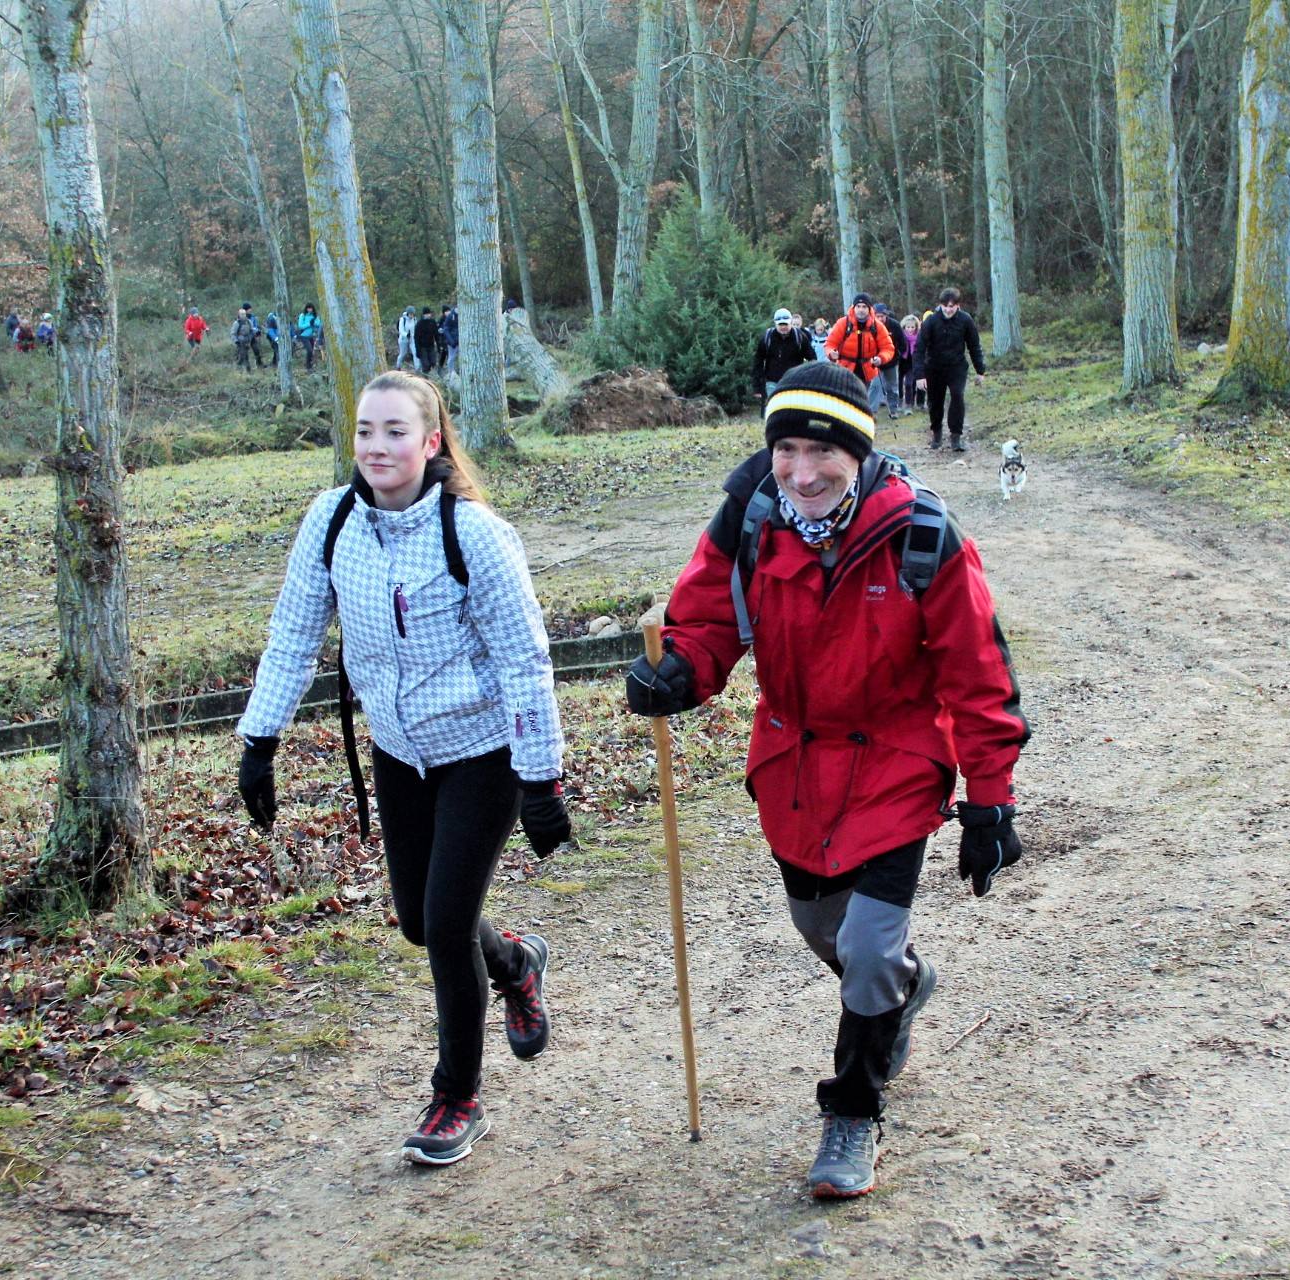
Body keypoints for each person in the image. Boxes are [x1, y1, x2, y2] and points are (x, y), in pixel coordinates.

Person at [624, 360, 1028, 1199]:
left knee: (868, 949)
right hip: (794, 765)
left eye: (823, 451)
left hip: (895, 762)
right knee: (825, 932)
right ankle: (904, 992)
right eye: (787, 450)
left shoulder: (925, 537)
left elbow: (978, 674)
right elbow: (705, 624)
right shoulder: (751, 522)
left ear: (859, 452)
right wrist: (680, 674)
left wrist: (991, 799)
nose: (803, 471)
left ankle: (853, 1111)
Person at [237, 369, 573, 1167]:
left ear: (431, 443)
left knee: (447, 925)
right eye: (364, 431)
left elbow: (526, 662)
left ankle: (457, 1096)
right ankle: (517, 964)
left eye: (395, 432)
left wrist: (541, 778)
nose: (376, 447)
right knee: (423, 922)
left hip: (482, 753)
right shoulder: (332, 523)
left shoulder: (475, 534)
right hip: (398, 751)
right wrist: (260, 739)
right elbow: (293, 634)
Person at [913, 288, 987, 451]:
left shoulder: (965, 320)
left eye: (951, 306)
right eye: (945, 306)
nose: (948, 309)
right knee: (935, 402)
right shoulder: (931, 322)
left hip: (957, 367)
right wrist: (919, 375)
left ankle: (956, 436)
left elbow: (974, 346)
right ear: (940, 306)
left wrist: (980, 370)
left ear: (958, 306)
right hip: (934, 367)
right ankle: (937, 433)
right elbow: (919, 349)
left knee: (957, 396)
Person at [823, 293, 895, 418]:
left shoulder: (877, 326)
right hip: (846, 368)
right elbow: (830, 344)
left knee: (865, 397)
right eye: (858, 306)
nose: (861, 310)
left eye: (864, 307)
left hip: (868, 368)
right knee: (847, 398)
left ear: (869, 309)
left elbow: (888, 348)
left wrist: (881, 358)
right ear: (854, 307)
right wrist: (831, 353)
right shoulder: (843, 323)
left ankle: (866, 419)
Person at [751, 307, 813, 400]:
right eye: (780, 325)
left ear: (791, 323)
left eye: (786, 324)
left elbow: (812, 359)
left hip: (794, 382)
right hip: (772, 382)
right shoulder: (767, 338)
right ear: (775, 324)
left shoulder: (800, 338)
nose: (783, 327)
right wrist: (757, 388)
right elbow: (758, 362)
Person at [874, 305, 906, 418]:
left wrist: (900, 354)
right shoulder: (870, 326)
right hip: (874, 362)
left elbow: (902, 342)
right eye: (877, 316)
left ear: (886, 315)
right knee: (875, 386)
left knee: (892, 386)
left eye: (882, 316)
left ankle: (894, 410)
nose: (880, 319)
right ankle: (872, 411)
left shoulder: (894, 325)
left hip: (891, 361)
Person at [897, 313, 921, 411]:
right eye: (908, 327)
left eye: (912, 327)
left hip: (912, 364)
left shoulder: (919, 337)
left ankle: (908, 404)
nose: (910, 329)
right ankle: (899, 400)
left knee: (908, 383)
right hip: (901, 362)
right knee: (898, 383)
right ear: (904, 327)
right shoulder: (901, 336)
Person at [232, 304, 262, 370]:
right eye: (242, 314)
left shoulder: (249, 321)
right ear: (239, 315)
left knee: (256, 350)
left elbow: (252, 329)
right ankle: (245, 369)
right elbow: (233, 334)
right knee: (244, 356)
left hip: (250, 338)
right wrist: (236, 341)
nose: (243, 315)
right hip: (241, 341)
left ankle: (259, 364)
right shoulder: (236, 323)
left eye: (244, 314)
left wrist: (257, 332)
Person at [294, 304, 321, 369]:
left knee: (312, 352)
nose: (309, 310)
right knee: (309, 350)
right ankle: (308, 366)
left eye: (311, 308)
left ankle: (309, 364)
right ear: (306, 309)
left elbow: (319, 324)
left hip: (311, 336)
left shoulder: (315, 316)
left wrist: (314, 323)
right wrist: (309, 323)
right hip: (304, 336)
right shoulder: (302, 315)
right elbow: (300, 326)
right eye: (308, 308)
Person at [414, 308, 441, 376]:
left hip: (431, 345)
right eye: (427, 314)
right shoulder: (419, 324)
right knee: (425, 365)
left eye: (429, 313)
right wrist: (417, 350)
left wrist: (438, 346)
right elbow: (416, 338)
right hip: (422, 347)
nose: (428, 315)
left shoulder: (433, 322)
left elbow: (436, 335)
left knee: (433, 362)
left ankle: (432, 376)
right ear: (423, 315)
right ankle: (425, 377)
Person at [440, 304, 459, 373]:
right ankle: (451, 373)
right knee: (451, 358)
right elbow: (446, 329)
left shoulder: (463, 315)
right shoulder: (450, 316)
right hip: (452, 342)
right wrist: (451, 341)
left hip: (461, 341)